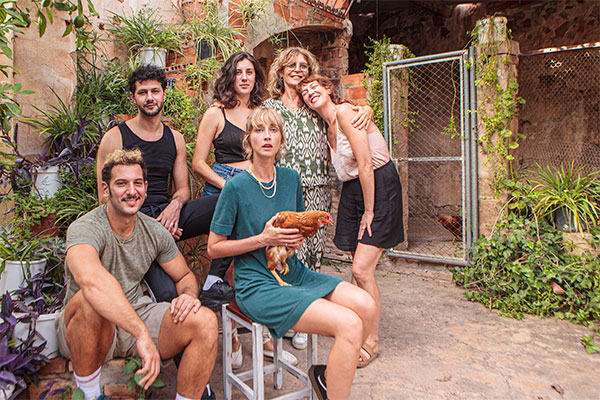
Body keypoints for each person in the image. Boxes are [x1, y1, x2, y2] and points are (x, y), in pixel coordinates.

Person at [207, 107, 376, 400]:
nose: (267, 136)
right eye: (259, 130)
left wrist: (294, 241)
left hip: (293, 273)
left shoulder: (290, 179)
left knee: (366, 306)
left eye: (273, 130)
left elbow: (295, 227)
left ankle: (328, 377)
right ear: (248, 139)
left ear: (281, 139)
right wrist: (263, 239)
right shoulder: (235, 187)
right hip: (257, 285)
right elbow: (214, 248)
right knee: (349, 324)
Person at [56, 149, 218, 400]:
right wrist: (141, 333)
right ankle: (90, 394)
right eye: (121, 183)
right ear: (106, 189)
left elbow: (184, 276)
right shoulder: (85, 228)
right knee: (90, 301)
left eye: (137, 183)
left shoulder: (153, 230)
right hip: (88, 328)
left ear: (145, 188)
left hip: (137, 312)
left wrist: (188, 295)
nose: (131, 191)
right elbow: (91, 281)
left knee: (205, 321)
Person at [96, 65, 234, 309]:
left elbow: (183, 190)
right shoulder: (115, 137)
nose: (150, 97)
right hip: (133, 224)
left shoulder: (175, 138)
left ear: (163, 94)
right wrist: (153, 228)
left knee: (231, 200)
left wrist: (174, 207)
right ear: (133, 97)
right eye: (143, 92)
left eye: (155, 91)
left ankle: (213, 281)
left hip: (168, 217)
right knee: (169, 296)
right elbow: (105, 200)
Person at [263, 47, 374, 350]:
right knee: (286, 252)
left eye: (303, 65)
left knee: (313, 253)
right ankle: (284, 315)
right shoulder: (270, 107)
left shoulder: (315, 103)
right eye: (291, 65)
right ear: (281, 71)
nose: (297, 70)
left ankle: (306, 319)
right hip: (284, 189)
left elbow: (343, 110)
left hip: (318, 188)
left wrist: (366, 109)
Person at [298, 74, 405, 368]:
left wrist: (370, 210)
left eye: (314, 87)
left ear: (328, 89)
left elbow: (366, 163)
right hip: (353, 189)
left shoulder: (345, 113)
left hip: (378, 184)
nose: (309, 93)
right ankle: (354, 326)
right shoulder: (325, 126)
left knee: (361, 269)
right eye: (305, 92)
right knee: (353, 261)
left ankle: (372, 341)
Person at [191, 51, 263, 308]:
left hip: (253, 183)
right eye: (238, 72)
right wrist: (228, 187)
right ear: (230, 77)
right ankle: (213, 284)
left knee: (246, 257)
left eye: (249, 72)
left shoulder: (261, 114)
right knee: (227, 249)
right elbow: (198, 162)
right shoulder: (216, 113)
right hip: (223, 183)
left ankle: (241, 310)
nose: (244, 77)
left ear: (256, 78)